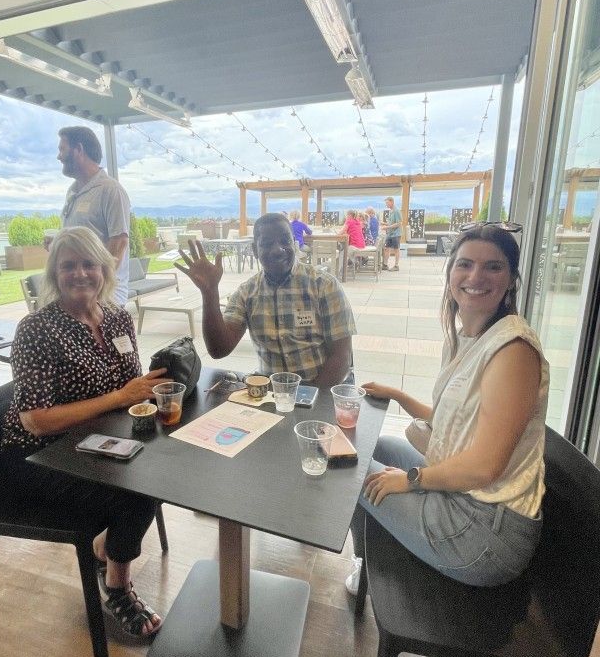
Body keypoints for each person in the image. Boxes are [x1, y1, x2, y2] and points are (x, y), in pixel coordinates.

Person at [346, 223, 548, 594]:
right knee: (375, 446)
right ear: (450, 272)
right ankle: (368, 563)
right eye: (465, 264)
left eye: (493, 267)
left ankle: (369, 570)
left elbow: (485, 466)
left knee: (349, 470)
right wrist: (397, 394)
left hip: (485, 533)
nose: (476, 276)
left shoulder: (513, 352)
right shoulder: (472, 338)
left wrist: (411, 481)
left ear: (511, 280)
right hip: (471, 502)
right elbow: (456, 423)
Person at [0, 227, 165, 640]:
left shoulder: (117, 317)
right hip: (40, 456)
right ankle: (117, 587)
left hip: (95, 444)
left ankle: (103, 547)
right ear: (54, 273)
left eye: (88, 264)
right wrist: (119, 398)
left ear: (104, 269)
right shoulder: (37, 329)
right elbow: (34, 420)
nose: (79, 274)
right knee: (140, 490)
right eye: (68, 265)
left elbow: (130, 391)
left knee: (166, 467)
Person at [176, 212, 355, 387]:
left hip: (321, 389)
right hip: (270, 394)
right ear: (255, 250)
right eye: (267, 244)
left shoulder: (323, 285)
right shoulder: (247, 292)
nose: (277, 250)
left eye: (285, 241)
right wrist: (210, 293)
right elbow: (218, 350)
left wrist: (306, 399)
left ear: (295, 243)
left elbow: (342, 356)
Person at [57, 126, 131, 306]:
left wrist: (99, 291)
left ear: (79, 150)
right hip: (79, 295)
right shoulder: (73, 192)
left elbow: (119, 243)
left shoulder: (110, 190)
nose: (58, 156)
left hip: (104, 298)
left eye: (62, 149)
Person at [381, 196, 402, 271]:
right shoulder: (391, 211)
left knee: (396, 249)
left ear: (392, 202)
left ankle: (396, 266)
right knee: (386, 249)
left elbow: (399, 223)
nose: (386, 205)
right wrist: (384, 223)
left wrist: (387, 227)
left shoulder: (396, 211)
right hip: (390, 234)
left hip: (396, 234)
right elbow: (391, 223)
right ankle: (385, 265)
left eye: (387, 203)